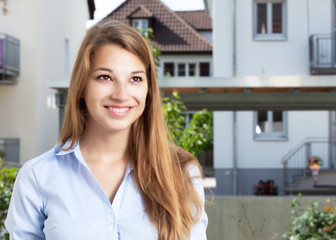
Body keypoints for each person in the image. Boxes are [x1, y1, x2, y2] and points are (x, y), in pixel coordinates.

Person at [5, 21, 208, 240]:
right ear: (82, 86)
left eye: (135, 79)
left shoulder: (181, 171)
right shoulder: (37, 177)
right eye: (105, 77)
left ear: (148, 90)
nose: (121, 94)